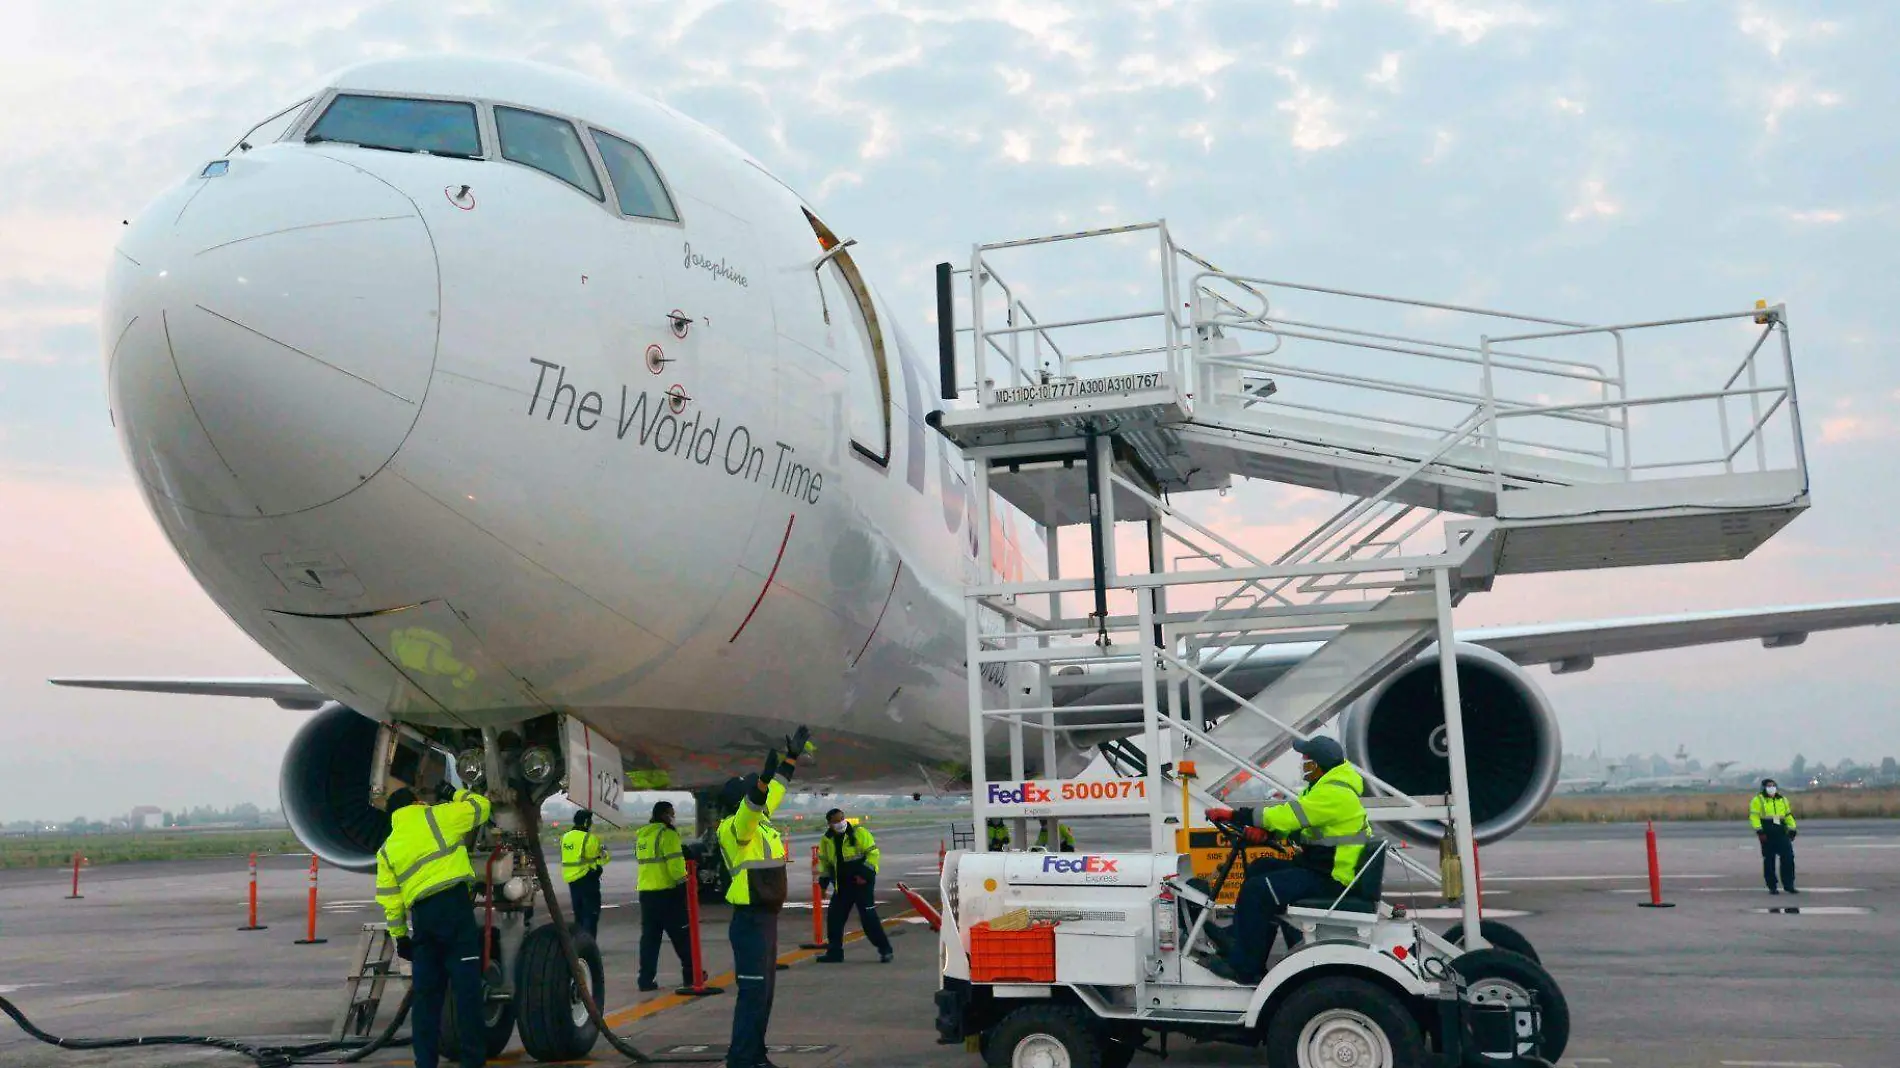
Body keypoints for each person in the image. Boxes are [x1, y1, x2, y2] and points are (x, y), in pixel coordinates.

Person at [1203, 735, 1372, 984]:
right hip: (1323, 868)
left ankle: (1245, 968)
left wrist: (1235, 815)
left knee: (1258, 891)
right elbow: (1302, 826)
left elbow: (1288, 815)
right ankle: (1242, 940)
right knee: (1261, 867)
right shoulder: (1327, 789)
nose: (1303, 764)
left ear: (1318, 764)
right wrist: (1268, 832)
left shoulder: (1334, 793)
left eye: (1306, 760)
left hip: (1333, 878)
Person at [375, 783, 494, 1068]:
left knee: (426, 1000)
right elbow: (482, 807)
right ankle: (472, 1061)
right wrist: (452, 792)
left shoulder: (388, 849)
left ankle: (425, 1063)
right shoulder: (437, 816)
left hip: (423, 920)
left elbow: (390, 901)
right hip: (454, 910)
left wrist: (401, 937)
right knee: (467, 993)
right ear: (417, 802)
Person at [718, 727, 810, 1068]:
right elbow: (753, 805)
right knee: (753, 993)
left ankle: (755, 1055)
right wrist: (761, 782)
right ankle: (741, 1059)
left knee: (765, 994)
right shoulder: (734, 827)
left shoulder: (759, 820)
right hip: (750, 919)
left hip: (766, 918)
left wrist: (790, 760)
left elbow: (774, 793)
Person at [816, 808, 894, 964]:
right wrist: (823, 885)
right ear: (829, 824)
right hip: (842, 886)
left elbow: (873, 854)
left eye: (842, 819)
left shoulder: (859, 833)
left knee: (868, 919)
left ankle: (885, 950)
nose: (840, 823)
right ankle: (835, 953)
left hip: (861, 884)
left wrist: (864, 875)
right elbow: (825, 864)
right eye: (836, 821)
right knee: (834, 918)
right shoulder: (827, 839)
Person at [634, 800, 693, 991]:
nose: (673, 818)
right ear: (665, 815)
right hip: (667, 893)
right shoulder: (668, 835)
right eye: (671, 814)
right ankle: (691, 975)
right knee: (682, 936)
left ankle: (645, 979)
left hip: (646, 893)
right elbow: (675, 866)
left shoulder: (642, 836)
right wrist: (684, 885)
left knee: (650, 940)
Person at [560, 809, 611, 938]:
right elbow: (602, 859)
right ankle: (589, 945)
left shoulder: (565, 837)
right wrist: (604, 851)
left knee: (579, 915)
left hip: (571, 879)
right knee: (591, 915)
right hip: (587, 879)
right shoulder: (590, 838)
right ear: (586, 822)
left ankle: (579, 944)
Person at [1750, 778, 1799, 895]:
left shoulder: (1782, 800)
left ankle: (1789, 885)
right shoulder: (1758, 800)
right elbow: (1754, 817)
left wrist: (1792, 829)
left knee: (1788, 858)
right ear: (1763, 788)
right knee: (1769, 860)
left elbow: (1787, 815)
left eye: (1773, 786)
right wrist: (1759, 831)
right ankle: (1772, 886)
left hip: (1781, 831)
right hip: (1767, 832)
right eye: (1768, 786)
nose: (1771, 788)